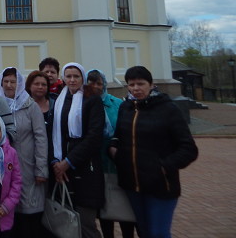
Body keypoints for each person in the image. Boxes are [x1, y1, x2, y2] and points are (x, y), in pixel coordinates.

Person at [110, 66, 198, 238]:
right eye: (131, 84)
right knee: (144, 231)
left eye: (141, 84)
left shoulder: (168, 109)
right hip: (133, 184)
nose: (136, 88)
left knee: (158, 233)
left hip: (160, 185)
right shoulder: (126, 107)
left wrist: (162, 167)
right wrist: (114, 150)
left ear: (151, 85)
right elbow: (118, 135)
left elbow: (188, 148)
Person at [0, 68, 49, 236]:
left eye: (13, 81)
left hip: (27, 165)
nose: (9, 85)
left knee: (28, 211)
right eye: (6, 81)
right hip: (2, 166)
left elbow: (41, 138)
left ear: (20, 84)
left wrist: (41, 169)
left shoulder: (30, 106)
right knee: (6, 208)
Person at [51, 63, 105, 238]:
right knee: (68, 223)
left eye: (76, 76)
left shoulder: (92, 99)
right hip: (63, 169)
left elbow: (94, 136)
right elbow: (54, 133)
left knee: (86, 223)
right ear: (63, 78)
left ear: (83, 78)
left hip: (86, 167)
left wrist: (68, 162)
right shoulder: (60, 100)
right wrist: (56, 163)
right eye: (68, 76)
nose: (72, 80)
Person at [87, 69, 135, 238]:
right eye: (91, 83)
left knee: (124, 210)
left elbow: (125, 129)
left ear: (104, 85)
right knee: (105, 211)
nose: (95, 87)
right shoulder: (83, 104)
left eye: (99, 83)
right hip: (97, 165)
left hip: (117, 164)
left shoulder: (117, 104)